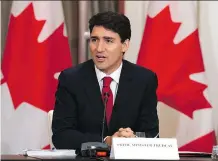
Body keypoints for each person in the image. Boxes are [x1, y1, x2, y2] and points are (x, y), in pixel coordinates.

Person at [52, 11, 159, 150]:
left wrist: (132, 140)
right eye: (94, 40)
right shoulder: (71, 79)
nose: (99, 48)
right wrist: (106, 142)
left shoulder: (144, 79)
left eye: (108, 41)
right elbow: (61, 135)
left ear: (125, 45)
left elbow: (151, 134)